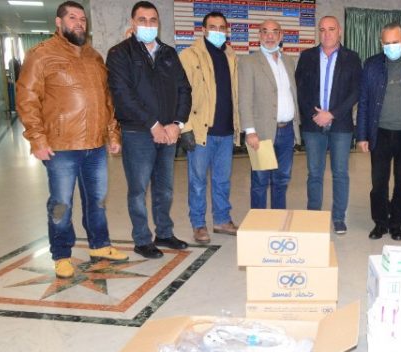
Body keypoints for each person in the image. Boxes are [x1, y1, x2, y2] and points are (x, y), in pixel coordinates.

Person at [16, 1, 127, 279]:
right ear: (59, 22)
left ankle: (99, 245)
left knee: (97, 201)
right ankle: (61, 254)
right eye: (73, 17)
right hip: (61, 147)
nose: (79, 23)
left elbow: (106, 99)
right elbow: (27, 99)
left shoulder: (93, 56)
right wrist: (37, 139)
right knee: (61, 203)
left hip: (95, 146)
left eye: (83, 19)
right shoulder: (41, 55)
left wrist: (112, 133)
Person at [106, 1, 192, 259]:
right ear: (133, 23)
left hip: (168, 133)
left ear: (158, 23)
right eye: (142, 20)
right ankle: (142, 239)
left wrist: (177, 123)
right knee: (138, 190)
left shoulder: (168, 53)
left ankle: (164, 233)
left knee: (165, 189)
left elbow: (184, 90)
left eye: (153, 20)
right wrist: (153, 124)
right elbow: (123, 95)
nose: (148, 24)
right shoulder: (120, 53)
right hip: (138, 133)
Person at [356, 22, 401, 241]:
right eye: (386, 43)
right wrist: (362, 135)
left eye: (395, 42)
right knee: (378, 183)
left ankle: (396, 223)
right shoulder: (372, 65)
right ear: (381, 43)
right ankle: (380, 223)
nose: (391, 47)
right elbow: (364, 101)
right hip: (379, 133)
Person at [295, 16, 362, 234]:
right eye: (322, 30)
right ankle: (313, 216)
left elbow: (355, 92)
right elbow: (300, 90)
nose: (326, 34)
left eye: (331, 29)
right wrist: (314, 115)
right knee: (314, 173)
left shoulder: (352, 58)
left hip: (341, 125)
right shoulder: (307, 57)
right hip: (313, 124)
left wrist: (332, 114)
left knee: (340, 173)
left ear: (339, 31)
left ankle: (339, 217)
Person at [178, 11, 240, 244]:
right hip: (200, 130)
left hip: (226, 131)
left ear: (227, 30)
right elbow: (181, 94)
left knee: (223, 180)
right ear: (203, 30)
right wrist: (185, 128)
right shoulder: (189, 55)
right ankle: (199, 224)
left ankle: (222, 220)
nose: (217, 31)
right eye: (212, 27)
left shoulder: (231, 55)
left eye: (222, 27)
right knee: (197, 182)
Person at [239, 19, 299, 209]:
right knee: (260, 181)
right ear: (259, 36)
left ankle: (277, 219)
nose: (270, 36)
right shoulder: (248, 62)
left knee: (282, 180)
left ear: (281, 35)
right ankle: (259, 222)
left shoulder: (288, 61)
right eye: (265, 32)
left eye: (274, 32)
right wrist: (250, 131)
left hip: (287, 131)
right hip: (262, 133)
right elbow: (244, 99)